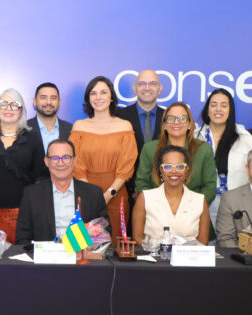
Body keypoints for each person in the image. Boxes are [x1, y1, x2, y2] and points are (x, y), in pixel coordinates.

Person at [0, 88, 45, 243]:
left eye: (14, 104)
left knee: (22, 256)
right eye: (3, 103)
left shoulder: (33, 140)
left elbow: (41, 178)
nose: (8, 108)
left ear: (21, 110)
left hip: (25, 213)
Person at [69, 76, 138, 243]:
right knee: (81, 245)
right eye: (93, 93)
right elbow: (76, 164)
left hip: (116, 194)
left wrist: (109, 194)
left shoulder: (125, 126)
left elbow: (127, 165)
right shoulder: (79, 126)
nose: (98, 97)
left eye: (103, 92)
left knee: (113, 246)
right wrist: (92, 195)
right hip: (84, 194)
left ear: (111, 97)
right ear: (88, 98)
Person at [16, 139, 108, 244]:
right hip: (45, 253)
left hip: (81, 252)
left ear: (74, 160)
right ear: (46, 161)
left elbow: (105, 231)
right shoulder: (31, 194)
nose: (60, 163)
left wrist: (90, 245)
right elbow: (22, 237)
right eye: (55, 158)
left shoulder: (93, 193)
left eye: (66, 157)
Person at [135, 102, 216, 210]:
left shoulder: (203, 149)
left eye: (182, 118)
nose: (176, 122)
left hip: (194, 212)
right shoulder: (149, 149)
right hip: (157, 211)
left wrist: (192, 208)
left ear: (189, 124)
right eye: (171, 118)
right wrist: (157, 205)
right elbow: (142, 182)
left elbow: (210, 186)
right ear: (164, 125)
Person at [131, 145, 210, 249]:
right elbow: (137, 237)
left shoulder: (199, 200)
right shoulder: (145, 197)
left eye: (179, 166)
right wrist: (159, 252)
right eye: (167, 167)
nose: (174, 171)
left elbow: (203, 241)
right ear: (160, 170)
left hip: (189, 258)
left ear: (187, 170)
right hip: (154, 257)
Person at [196, 88, 252, 225]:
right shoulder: (195, 137)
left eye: (224, 105)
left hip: (236, 204)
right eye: (213, 105)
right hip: (203, 204)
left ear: (230, 110)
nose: (218, 109)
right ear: (207, 109)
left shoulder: (244, 137)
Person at [117, 69, 166, 196]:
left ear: (160, 89)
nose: (147, 88)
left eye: (152, 84)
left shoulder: (169, 118)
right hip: (125, 190)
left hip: (162, 191)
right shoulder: (119, 117)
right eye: (142, 84)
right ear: (135, 88)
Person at [26, 82, 72, 157]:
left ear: (59, 102)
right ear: (34, 101)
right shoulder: (23, 130)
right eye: (43, 97)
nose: (48, 102)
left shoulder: (71, 130)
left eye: (53, 98)